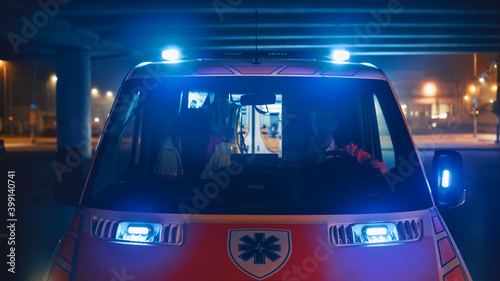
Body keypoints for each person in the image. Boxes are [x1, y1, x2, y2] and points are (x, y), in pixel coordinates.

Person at [154, 108, 231, 179]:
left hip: (175, 192)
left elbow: (161, 177)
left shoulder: (168, 142)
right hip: (207, 192)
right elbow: (224, 178)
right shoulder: (219, 144)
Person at [309, 108, 387, 174]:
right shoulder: (299, 150)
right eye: (318, 120)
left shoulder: (349, 149)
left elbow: (371, 162)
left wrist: (376, 171)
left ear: (335, 124)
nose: (322, 124)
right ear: (312, 123)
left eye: (327, 120)